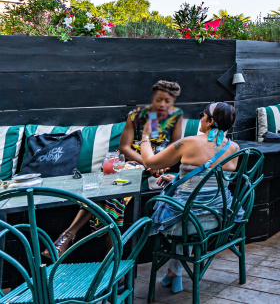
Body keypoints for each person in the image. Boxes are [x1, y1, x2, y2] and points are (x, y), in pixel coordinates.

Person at [48, 80, 184, 257]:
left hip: (158, 164)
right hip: (131, 162)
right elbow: (125, 148)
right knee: (113, 192)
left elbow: (174, 146)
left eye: (168, 100)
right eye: (159, 99)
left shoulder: (175, 118)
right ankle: (111, 255)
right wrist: (147, 163)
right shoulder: (136, 116)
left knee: (111, 191)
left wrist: (158, 162)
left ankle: (68, 237)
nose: (163, 104)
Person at [143, 102, 241, 294]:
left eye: (201, 115)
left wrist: (145, 137)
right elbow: (211, 179)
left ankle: (175, 272)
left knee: (176, 209)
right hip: (219, 217)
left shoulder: (189, 142)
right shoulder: (234, 147)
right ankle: (174, 272)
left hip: (186, 221)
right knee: (186, 207)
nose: (200, 119)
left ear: (210, 121)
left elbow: (150, 162)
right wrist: (179, 178)